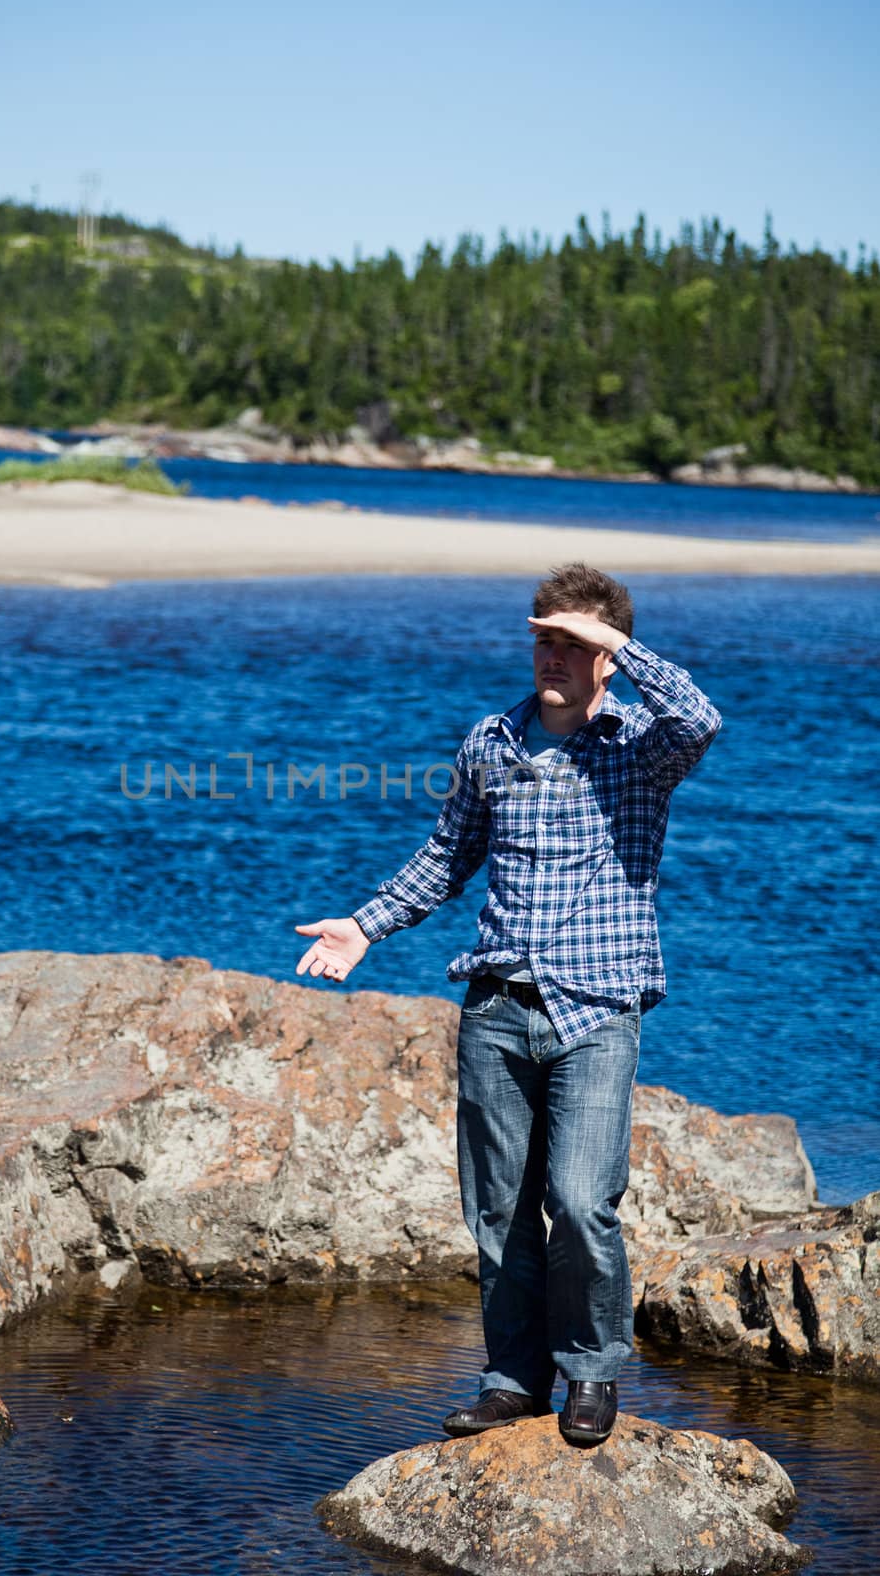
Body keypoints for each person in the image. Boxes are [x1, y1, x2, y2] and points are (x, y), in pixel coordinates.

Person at [295, 561, 722, 1445]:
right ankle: (513, 1380)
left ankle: (592, 1373)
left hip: (596, 1009)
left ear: (607, 651)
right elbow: (447, 854)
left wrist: (619, 644)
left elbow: (701, 716)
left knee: (578, 1200)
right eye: (542, 640)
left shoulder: (641, 745)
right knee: (496, 1210)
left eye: (572, 642)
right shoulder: (490, 740)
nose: (552, 657)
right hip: (494, 1006)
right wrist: (365, 927)